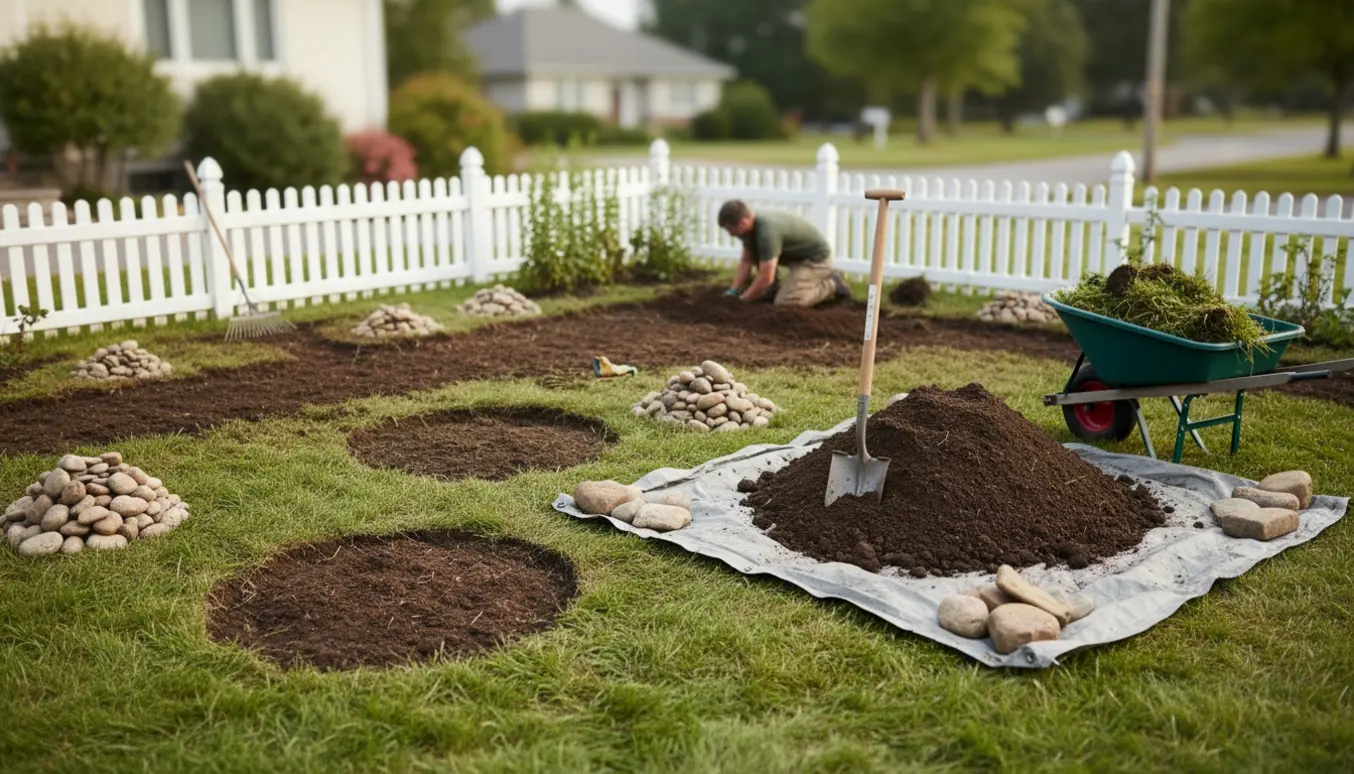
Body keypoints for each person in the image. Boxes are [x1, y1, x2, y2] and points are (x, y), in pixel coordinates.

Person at [717, 199, 851, 307]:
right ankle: (771, 291)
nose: (730, 234)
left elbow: (766, 277)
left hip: (816, 261)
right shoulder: (750, 229)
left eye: (730, 230)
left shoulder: (767, 232)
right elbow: (746, 261)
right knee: (756, 250)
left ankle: (833, 283)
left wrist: (742, 301)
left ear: (743, 223)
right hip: (795, 256)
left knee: (787, 302)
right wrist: (733, 292)